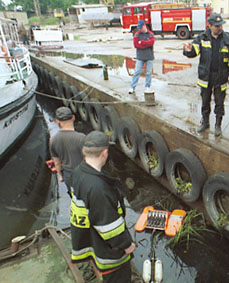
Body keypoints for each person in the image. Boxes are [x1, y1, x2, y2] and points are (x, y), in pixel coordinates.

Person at [70, 130, 136, 283]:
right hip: (108, 252)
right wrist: (126, 245)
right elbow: (109, 225)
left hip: (90, 238)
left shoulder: (79, 171)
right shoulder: (98, 188)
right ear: (105, 153)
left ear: (84, 152)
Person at [183, 13, 229, 136]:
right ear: (210, 25)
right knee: (205, 101)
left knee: (219, 102)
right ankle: (205, 122)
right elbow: (194, 51)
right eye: (217, 26)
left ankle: (218, 125)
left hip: (221, 77)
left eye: (221, 25)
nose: (220, 28)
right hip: (206, 77)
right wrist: (188, 50)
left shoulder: (228, 40)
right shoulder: (202, 38)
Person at [49, 106, 85, 196]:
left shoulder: (53, 140)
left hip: (68, 175)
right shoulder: (81, 137)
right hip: (83, 174)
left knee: (74, 198)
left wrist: (61, 176)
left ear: (57, 121)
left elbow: (57, 163)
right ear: (73, 117)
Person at [128, 19, 155, 94]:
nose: (140, 29)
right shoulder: (137, 34)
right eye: (139, 28)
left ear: (144, 26)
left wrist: (142, 43)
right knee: (137, 72)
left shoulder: (151, 34)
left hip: (149, 57)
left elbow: (151, 43)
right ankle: (132, 87)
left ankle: (147, 87)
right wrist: (145, 44)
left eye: (141, 27)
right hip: (140, 57)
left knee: (149, 72)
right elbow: (136, 45)